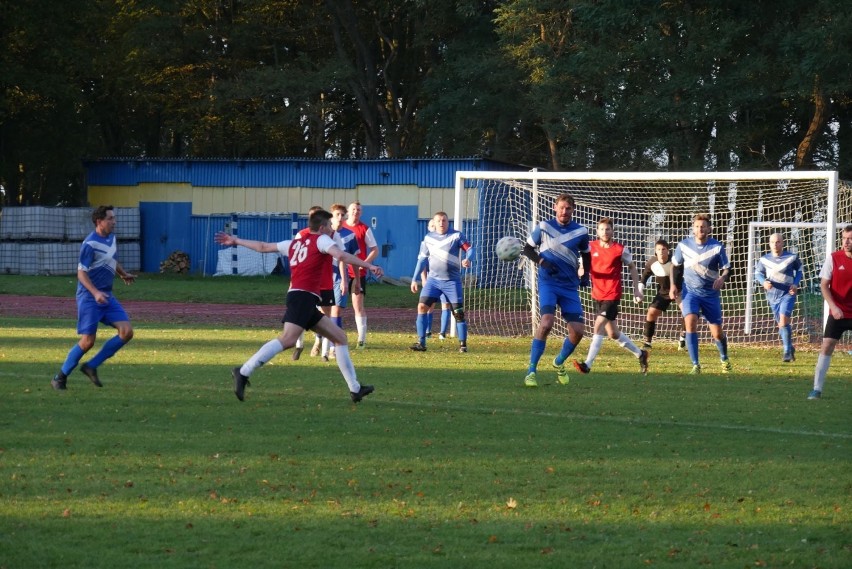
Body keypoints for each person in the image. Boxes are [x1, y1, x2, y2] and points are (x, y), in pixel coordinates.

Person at [214, 209, 383, 403]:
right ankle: (243, 372)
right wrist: (369, 266)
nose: (332, 228)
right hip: (302, 298)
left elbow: (262, 246)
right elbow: (341, 256)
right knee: (287, 340)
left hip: (303, 298)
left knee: (340, 337)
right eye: (329, 225)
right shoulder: (322, 240)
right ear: (322, 228)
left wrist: (235, 240)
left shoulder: (293, 243)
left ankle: (355, 389)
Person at [51, 205, 136, 390]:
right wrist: (95, 292)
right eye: (110, 219)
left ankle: (91, 366)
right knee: (88, 341)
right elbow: (81, 274)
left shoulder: (112, 238)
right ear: (99, 222)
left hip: (106, 295)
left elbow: (111, 259)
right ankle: (60, 377)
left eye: (114, 218)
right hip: (89, 297)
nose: (114, 221)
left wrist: (122, 274)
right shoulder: (89, 244)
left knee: (127, 332)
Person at [522, 193, 592, 387]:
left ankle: (559, 362)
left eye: (568, 208)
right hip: (549, 283)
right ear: (555, 207)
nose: (564, 211)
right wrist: (541, 261)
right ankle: (531, 370)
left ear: (573, 210)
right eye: (561, 207)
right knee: (546, 323)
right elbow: (527, 249)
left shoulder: (580, 231)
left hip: (569, 286)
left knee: (578, 332)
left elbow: (586, 256)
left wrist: (585, 276)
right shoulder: (543, 227)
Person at [572, 218, 649, 376]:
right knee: (613, 333)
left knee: (598, 324)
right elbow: (583, 266)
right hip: (597, 294)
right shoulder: (590, 247)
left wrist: (636, 289)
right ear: (597, 231)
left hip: (612, 294)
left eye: (608, 229)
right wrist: (580, 272)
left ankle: (587, 364)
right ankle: (640, 354)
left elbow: (632, 267)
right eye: (602, 229)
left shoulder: (620, 249)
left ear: (612, 231)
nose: (605, 232)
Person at [670, 213, 732, 374]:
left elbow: (726, 268)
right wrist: (673, 285)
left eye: (703, 226)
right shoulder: (683, 245)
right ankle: (695, 365)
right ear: (693, 229)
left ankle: (724, 359)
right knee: (690, 321)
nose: (700, 229)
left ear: (709, 228)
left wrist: (722, 278)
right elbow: (675, 266)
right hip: (690, 292)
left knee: (717, 333)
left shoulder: (717, 247)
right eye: (697, 226)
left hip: (710, 295)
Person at [410, 211, 473, 352]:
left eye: (444, 220)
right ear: (434, 222)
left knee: (458, 313)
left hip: (452, 281)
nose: (441, 223)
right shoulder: (428, 238)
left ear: (447, 222)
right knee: (421, 307)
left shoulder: (456, 235)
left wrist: (468, 259)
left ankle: (463, 345)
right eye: (438, 220)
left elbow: (469, 249)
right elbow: (422, 260)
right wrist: (414, 279)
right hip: (433, 281)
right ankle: (421, 342)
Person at [808, 225, 852, 400]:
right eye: (844, 238)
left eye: (850, 238)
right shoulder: (833, 258)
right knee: (826, 346)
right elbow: (824, 286)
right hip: (838, 312)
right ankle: (816, 389)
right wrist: (833, 307)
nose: (846, 242)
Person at [291, 206, 333, 361]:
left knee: (326, 317)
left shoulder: (329, 236)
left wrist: (344, 278)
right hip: (305, 284)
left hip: (325, 282)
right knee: (300, 315)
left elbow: (341, 256)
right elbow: (295, 259)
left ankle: (324, 351)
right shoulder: (301, 235)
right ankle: (299, 345)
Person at [754, 232, 803, 362]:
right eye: (772, 242)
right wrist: (763, 282)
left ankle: (786, 352)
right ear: (769, 244)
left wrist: (795, 284)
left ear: (782, 243)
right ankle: (790, 347)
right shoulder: (764, 259)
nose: (775, 244)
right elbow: (758, 273)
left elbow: (799, 270)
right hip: (772, 295)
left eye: (778, 242)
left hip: (788, 293)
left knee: (783, 321)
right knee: (781, 324)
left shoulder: (791, 257)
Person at [321, 203, 360, 361]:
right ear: (331, 216)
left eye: (342, 215)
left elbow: (351, 259)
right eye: (337, 214)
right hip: (323, 279)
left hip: (338, 279)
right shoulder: (321, 235)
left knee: (336, 312)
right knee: (323, 314)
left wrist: (352, 280)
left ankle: (332, 349)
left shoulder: (349, 236)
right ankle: (320, 341)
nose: (339, 218)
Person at [341, 201, 379, 348]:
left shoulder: (364, 229)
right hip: (339, 273)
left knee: (358, 305)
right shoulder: (340, 227)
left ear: (361, 213)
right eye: (353, 209)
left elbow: (375, 250)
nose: (355, 212)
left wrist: (365, 264)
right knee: (334, 306)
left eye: (358, 210)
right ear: (348, 211)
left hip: (358, 273)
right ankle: (328, 339)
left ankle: (361, 340)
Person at [639, 239, 686, 350]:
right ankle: (648, 342)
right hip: (663, 292)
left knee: (687, 311)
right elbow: (644, 278)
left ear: (668, 251)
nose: (661, 252)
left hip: (679, 290)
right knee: (651, 312)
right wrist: (639, 291)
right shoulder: (652, 262)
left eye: (663, 249)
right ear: (655, 251)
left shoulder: (675, 261)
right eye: (658, 249)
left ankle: (683, 339)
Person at [418, 218, 453, 340]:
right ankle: (428, 331)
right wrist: (423, 279)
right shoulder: (426, 242)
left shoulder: (447, 241)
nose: (434, 227)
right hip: (432, 279)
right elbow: (422, 262)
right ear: (428, 227)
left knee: (446, 304)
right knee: (429, 304)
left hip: (446, 279)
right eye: (431, 225)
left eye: (435, 224)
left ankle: (442, 332)